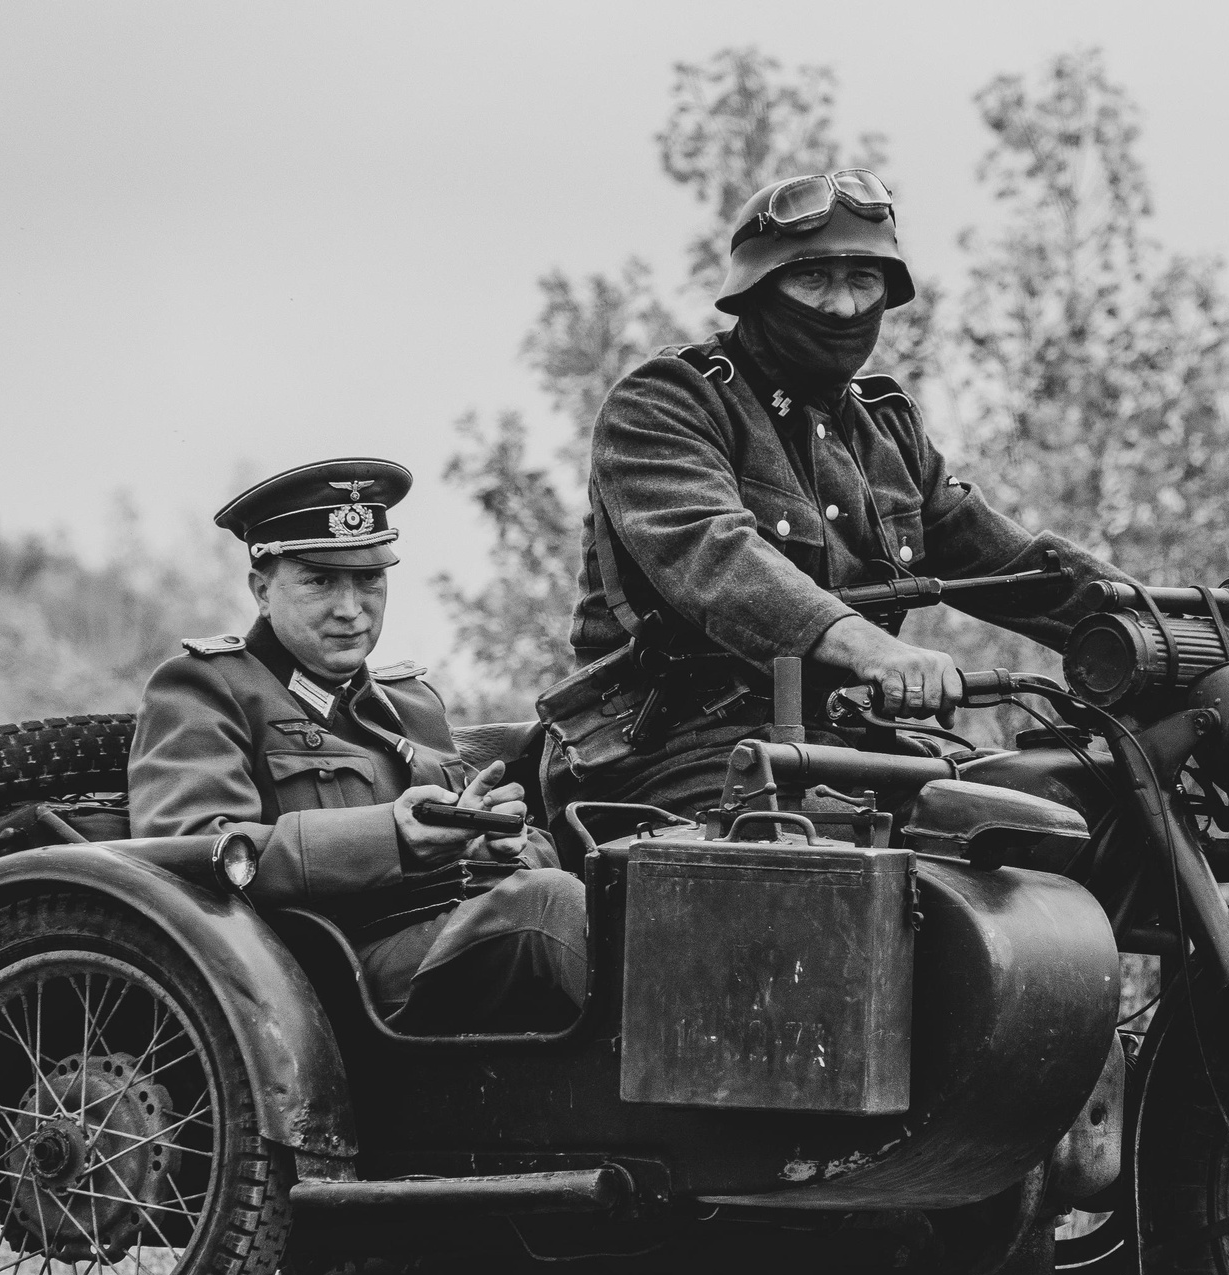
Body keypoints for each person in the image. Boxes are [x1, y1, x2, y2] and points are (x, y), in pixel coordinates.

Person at [543, 167, 1135, 821]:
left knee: (1080, 809)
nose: (844, 307)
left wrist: (1158, 625)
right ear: (757, 291)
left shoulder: (884, 432)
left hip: (844, 742)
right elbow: (716, 558)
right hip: (673, 748)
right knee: (839, 863)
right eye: (813, 280)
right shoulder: (668, 403)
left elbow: (1015, 566)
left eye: (863, 280)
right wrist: (873, 649)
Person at [129, 458, 588, 1032]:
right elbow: (189, 854)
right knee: (548, 905)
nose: (350, 609)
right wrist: (391, 838)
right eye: (320, 581)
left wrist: (494, 842)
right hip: (314, 981)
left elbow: (510, 853)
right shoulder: (206, 688)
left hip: (444, 935)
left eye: (369, 579)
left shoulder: (411, 700)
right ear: (262, 590)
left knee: (632, 889)